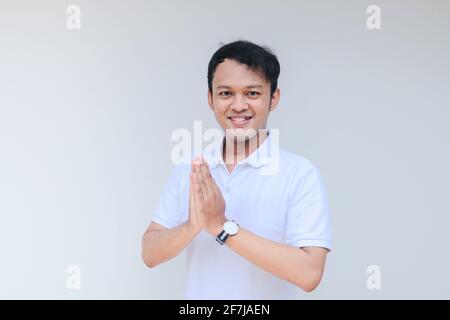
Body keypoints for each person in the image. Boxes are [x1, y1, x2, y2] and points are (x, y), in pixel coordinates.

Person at [141, 40, 332, 299]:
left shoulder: (299, 174)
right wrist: (193, 225)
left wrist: (222, 226)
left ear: (273, 98)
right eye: (225, 93)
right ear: (210, 98)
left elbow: (309, 274)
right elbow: (150, 253)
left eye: (252, 93)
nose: (238, 105)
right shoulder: (193, 168)